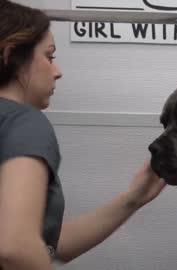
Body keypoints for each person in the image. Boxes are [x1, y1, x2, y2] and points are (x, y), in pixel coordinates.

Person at [0, 1, 167, 269]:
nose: (58, 71)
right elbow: (16, 248)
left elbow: (45, 245)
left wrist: (132, 199)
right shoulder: (25, 122)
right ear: (10, 56)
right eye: (49, 57)